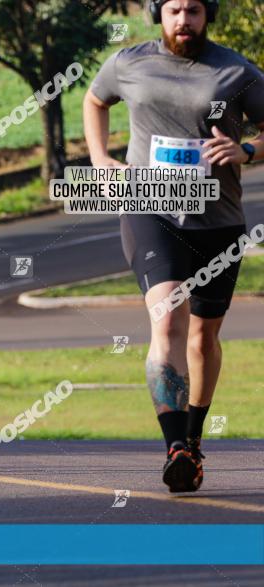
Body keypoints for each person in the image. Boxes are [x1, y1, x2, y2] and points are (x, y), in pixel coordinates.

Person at [83, 0, 264, 492]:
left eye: (194, 10)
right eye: (175, 10)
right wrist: (101, 159)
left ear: (209, 17)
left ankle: (193, 437)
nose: (184, 20)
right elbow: (95, 100)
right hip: (151, 210)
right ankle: (175, 446)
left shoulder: (237, 71)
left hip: (219, 220)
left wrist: (246, 148)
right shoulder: (129, 64)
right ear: (158, 16)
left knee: (203, 338)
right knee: (168, 316)